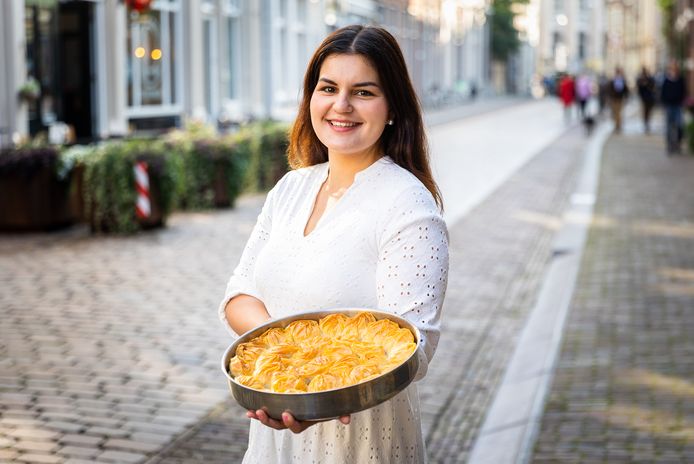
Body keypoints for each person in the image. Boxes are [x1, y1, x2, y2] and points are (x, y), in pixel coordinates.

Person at [218, 25, 449, 463]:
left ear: (393, 107)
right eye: (328, 88)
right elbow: (238, 293)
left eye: (363, 92)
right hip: (274, 439)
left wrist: (317, 392)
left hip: (359, 445)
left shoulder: (408, 206)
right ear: (311, 99)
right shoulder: (290, 188)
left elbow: (415, 350)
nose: (341, 106)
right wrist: (286, 369)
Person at [660, 60, 687, 154]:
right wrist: (664, 103)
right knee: (669, 126)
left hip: (678, 105)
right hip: (669, 106)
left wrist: (681, 101)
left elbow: (684, 91)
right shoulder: (666, 80)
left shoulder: (680, 79)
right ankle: (670, 145)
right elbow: (663, 93)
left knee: (679, 125)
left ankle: (678, 144)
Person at [608, 67, 630, 132]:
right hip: (616, 98)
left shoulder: (618, 80)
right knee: (617, 112)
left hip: (618, 99)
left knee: (617, 112)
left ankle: (618, 125)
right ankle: (617, 125)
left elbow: (626, 90)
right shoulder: (617, 80)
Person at [636, 66, 657, 133]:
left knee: (649, 111)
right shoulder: (640, 79)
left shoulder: (650, 79)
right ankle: (646, 122)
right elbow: (639, 89)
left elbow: (653, 86)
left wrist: (647, 84)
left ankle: (647, 122)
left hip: (650, 98)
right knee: (645, 111)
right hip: (644, 98)